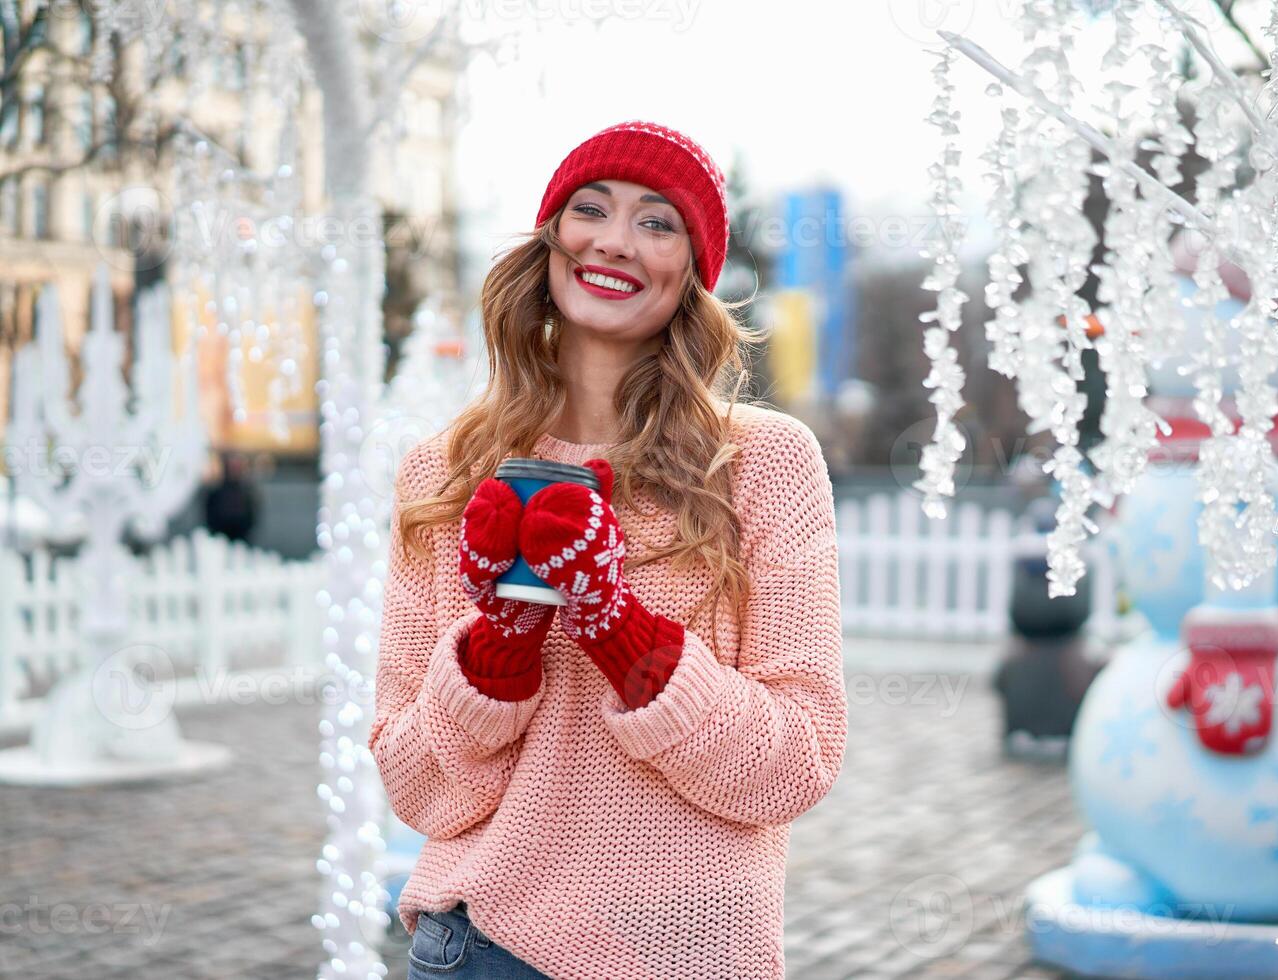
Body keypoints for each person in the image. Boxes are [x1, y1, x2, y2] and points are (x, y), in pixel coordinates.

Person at [370, 120, 847, 980]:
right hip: (484, 949)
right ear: (553, 241)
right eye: (591, 209)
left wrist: (614, 624)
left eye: (658, 222)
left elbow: (794, 763)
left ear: (692, 273)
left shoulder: (764, 463)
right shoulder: (444, 473)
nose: (616, 240)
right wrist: (501, 640)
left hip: (688, 951)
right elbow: (418, 787)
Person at [203, 451, 257, 543]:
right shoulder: (216, 491)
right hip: (219, 538)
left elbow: (252, 514)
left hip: (241, 538)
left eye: (237, 466)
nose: (235, 469)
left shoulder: (247, 492)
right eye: (233, 466)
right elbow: (209, 512)